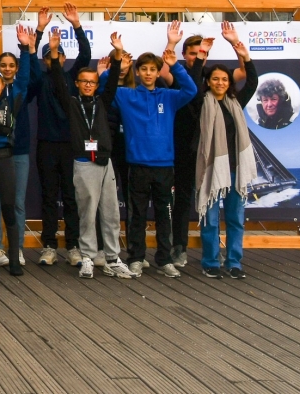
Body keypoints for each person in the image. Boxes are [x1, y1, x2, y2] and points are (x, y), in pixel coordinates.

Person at [108, 22, 197, 277]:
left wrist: (176, 65)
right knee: (136, 215)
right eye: (144, 69)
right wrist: (118, 63)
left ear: (158, 72)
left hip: (165, 166)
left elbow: (191, 90)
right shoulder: (126, 95)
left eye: (152, 70)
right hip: (137, 164)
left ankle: (164, 259)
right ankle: (136, 258)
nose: (148, 73)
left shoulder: (169, 97)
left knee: (163, 216)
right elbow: (106, 88)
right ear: (137, 71)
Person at [45, 29, 136, 280]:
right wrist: (54, 51)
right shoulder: (71, 103)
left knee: (111, 212)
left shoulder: (102, 102)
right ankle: (87, 257)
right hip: (84, 163)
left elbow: (115, 76)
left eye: (92, 82)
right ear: (77, 84)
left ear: (97, 85)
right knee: (87, 212)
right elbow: (55, 78)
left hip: (105, 162)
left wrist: (118, 51)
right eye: (84, 81)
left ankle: (112, 258)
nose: (88, 85)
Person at [0, 15, 43, 270]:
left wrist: (26, 49)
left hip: (18, 153)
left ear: (15, 69)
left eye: (10, 65)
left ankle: (16, 250)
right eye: (2, 65)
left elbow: (30, 78)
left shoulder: (18, 94)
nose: (6, 69)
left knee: (15, 203)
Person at [195, 32, 258, 279]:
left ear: (229, 83)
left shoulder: (235, 102)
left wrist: (242, 53)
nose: (220, 82)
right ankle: (211, 262)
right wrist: (202, 54)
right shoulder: (200, 101)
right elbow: (191, 78)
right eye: (215, 79)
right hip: (211, 169)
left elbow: (252, 82)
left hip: (235, 170)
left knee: (235, 219)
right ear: (208, 82)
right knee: (210, 220)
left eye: (224, 79)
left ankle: (234, 262)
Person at [30, 5, 87, 267]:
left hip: (71, 146)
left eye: (59, 55)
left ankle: (73, 245)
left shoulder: (73, 77)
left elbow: (85, 55)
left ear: (65, 58)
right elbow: (29, 61)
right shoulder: (40, 79)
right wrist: (40, 31)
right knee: (49, 196)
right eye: (50, 56)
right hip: (46, 145)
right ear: (45, 60)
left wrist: (76, 25)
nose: (55, 60)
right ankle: (50, 245)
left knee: (72, 197)